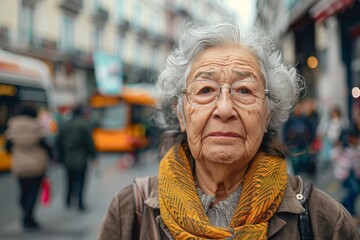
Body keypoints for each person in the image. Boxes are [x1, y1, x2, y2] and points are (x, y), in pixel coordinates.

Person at [99, 22, 360, 239]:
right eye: (205, 90)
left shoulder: (323, 220)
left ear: (268, 113)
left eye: (245, 90)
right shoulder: (128, 213)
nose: (224, 109)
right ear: (181, 114)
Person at [5, 105, 52, 231]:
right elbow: (46, 146)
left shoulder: (12, 126)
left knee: (23, 191)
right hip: (37, 165)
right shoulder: (37, 126)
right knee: (33, 192)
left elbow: (7, 147)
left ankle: (25, 214)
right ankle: (28, 218)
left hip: (20, 165)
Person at [56, 105, 97, 211]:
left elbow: (58, 142)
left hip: (67, 158)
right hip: (81, 158)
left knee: (69, 180)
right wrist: (93, 155)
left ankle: (68, 200)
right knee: (81, 181)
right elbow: (89, 142)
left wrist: (60, 156)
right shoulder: (84, 125)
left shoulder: (65, 125)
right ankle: (80, 203)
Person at [282, 101, 317, 177]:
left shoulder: (305, 119)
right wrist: (286, 142)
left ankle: (304, 176)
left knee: (305, 160)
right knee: (295, 162)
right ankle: (296, 177)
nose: (298, 110)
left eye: (299, 108)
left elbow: (311, 131)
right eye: (297, 108)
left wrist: (310, 141)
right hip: (293, 145)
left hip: (304, 145)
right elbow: (285, 132)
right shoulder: (290, 120)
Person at [331, 127, 360, 216]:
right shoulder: (343, 146)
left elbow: (356, 160)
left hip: (352, 172)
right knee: (354, 190)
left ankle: (348, 208)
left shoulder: (356, 146)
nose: (355, 139)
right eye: (354, 138)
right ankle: (345, 205)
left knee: (354, 191)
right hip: (343, 172)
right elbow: (333, 156)